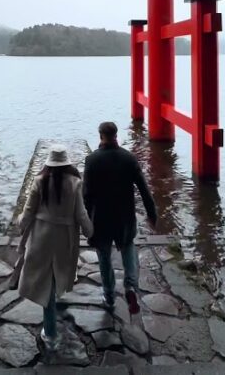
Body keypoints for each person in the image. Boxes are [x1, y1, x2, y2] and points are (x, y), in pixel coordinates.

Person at [15, 144, 93, 351]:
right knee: (59, 272)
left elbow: (28, 211)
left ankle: (49, 333)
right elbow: (81, 213)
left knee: (44, 279)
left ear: (49, 163)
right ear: (66, 163)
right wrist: (89, 231)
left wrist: (20, 223)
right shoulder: (75, 183)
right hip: (64, 237)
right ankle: (53, 315)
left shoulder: (39, 181)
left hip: (41, 235)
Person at [83, 121, 157, 314]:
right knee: (128, 249)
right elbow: (144, 189)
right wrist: (152, 214)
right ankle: (130, 286)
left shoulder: (92, 160)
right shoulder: (129, 158)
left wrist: (85, 220)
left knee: (104, 257)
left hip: (101, 219)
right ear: (116, 135)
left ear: (101, 136)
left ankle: (109, 296)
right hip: (125, 217)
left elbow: (86, 195)